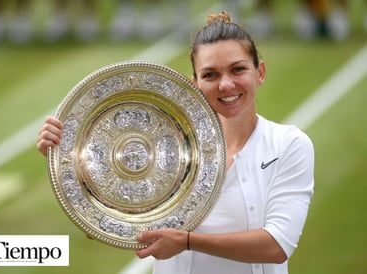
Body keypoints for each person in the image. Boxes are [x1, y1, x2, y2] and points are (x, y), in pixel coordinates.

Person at [37, 11, 314, 274]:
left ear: (260, 72)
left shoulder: (288, 145)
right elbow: (109, 226)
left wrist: (187, 241)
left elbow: (277, 246)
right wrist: (66, 163)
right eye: (211, 75)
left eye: (237, 69)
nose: (226, 85)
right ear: (195, 84)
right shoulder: (167, 151)